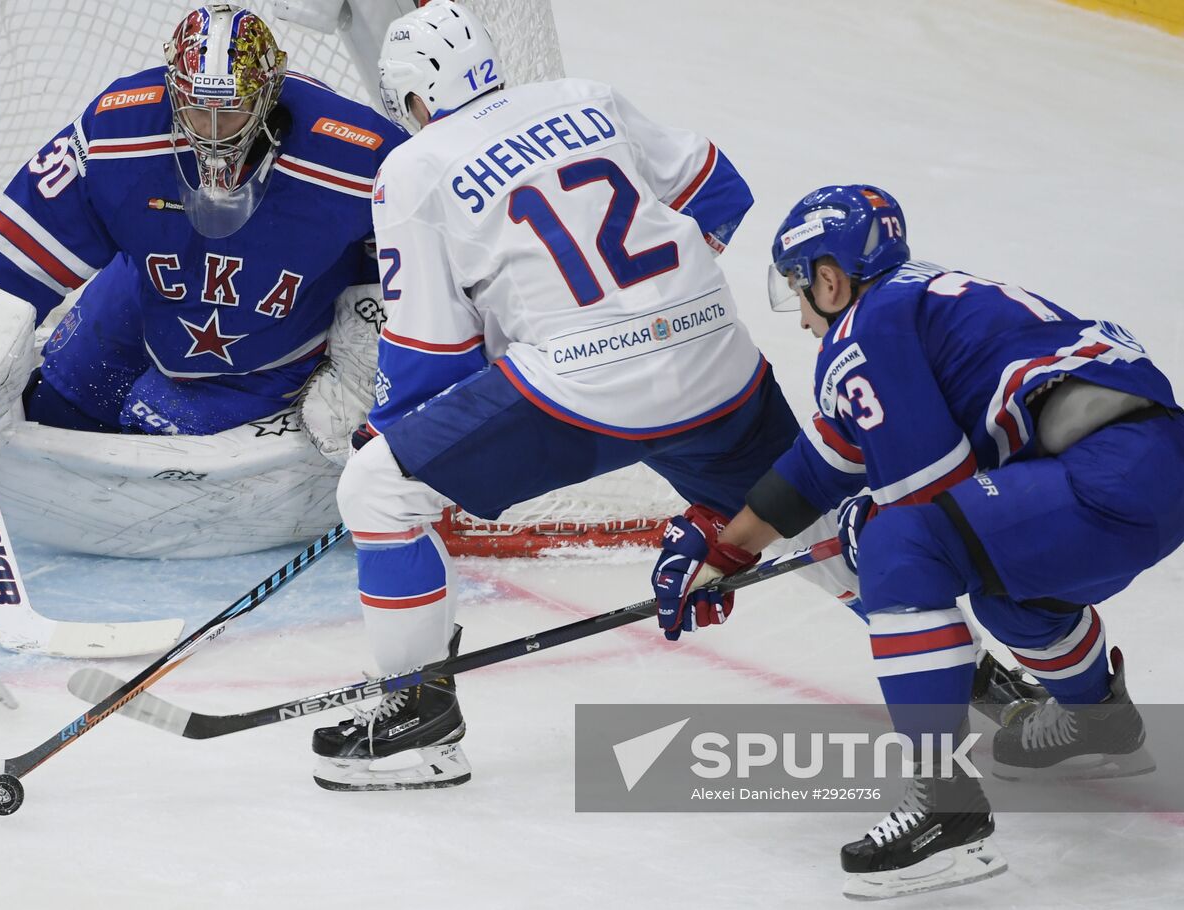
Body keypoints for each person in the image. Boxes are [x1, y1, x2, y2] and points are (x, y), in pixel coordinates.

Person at [315, 0, 857, 792]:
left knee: (379, 491)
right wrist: (659, 308)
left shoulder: (415, 165)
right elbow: (719, 188)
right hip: (717, 360)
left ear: (413, 102)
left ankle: (417, 725)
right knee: (806, 509)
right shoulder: (584, 96)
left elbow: (435, 350)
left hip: (583, 391)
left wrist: (391, 433)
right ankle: (990, 678)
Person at [653, 183, 1184, 899]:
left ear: (830, 278)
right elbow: (822, 465)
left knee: (900, 546)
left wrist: (873, 528)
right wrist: (730, 549)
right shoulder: (916, 306)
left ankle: (944, 809)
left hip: (1105, 477)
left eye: (799, 290)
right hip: (1171, 463)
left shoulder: (866, 328)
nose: (800, 317)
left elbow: (922, 499)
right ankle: (1098, 721)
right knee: (1010, 595)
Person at [0, 4, 403, 458]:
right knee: (53, 407)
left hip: (271, 346)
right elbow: (18, 248)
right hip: (146, 299)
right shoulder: (118, 130)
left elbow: (432, 263)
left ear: (268, 94)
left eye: (230, 112)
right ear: (172, 88)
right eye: (195, 109)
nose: (210, 132)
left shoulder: (360, 156)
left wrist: (369, 355)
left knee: (153, 438)